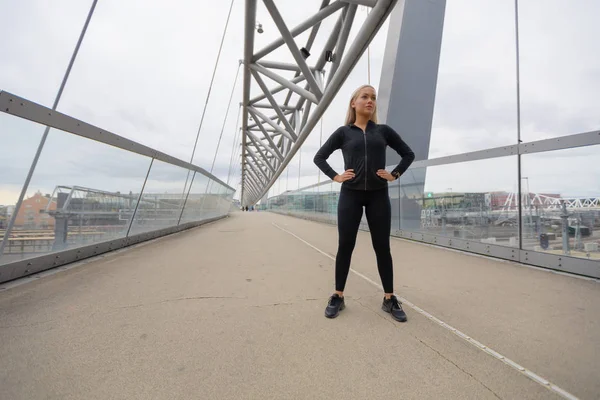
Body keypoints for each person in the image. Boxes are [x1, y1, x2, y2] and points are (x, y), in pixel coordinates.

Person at [313, 84, 415, 322]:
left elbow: (408, 154)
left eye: (373, 98)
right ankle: (338, 296)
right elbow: (319, 157)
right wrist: (336, 176)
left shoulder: (383, 131)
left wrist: (395, 174)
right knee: (345, 246)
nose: (370, 101)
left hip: (378, 195)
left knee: (382, 248)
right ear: (353, 103)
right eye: (365, 97)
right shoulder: (343, 132)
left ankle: (389, 298)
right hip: (350, 194)